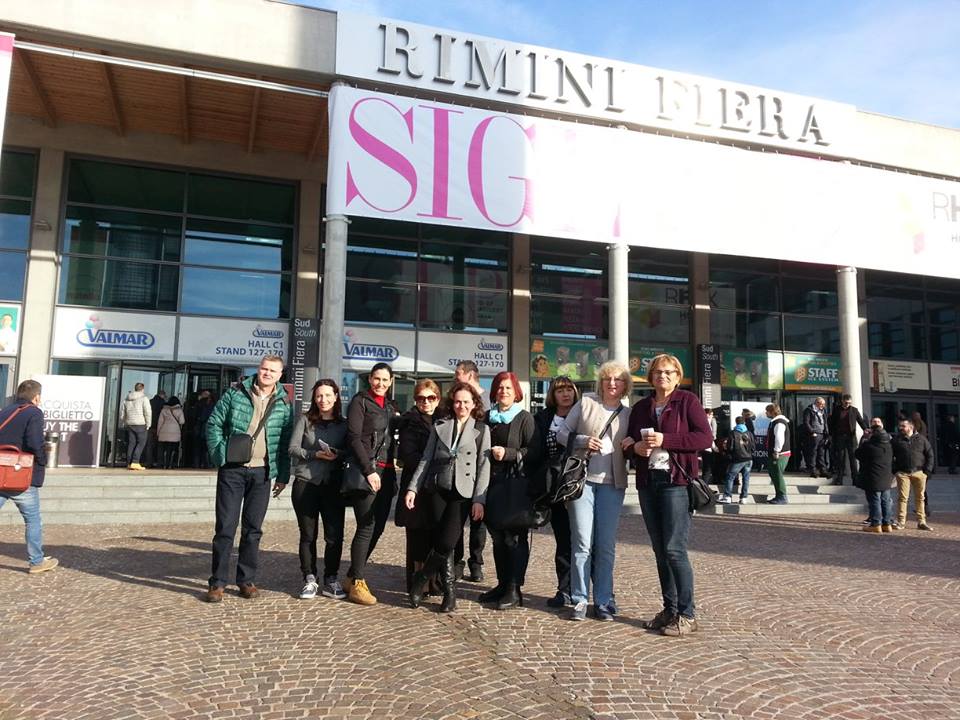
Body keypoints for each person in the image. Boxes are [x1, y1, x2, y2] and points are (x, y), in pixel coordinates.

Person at [626, 354, 712, 636]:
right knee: (660, 550)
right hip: (648, 482)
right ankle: (670, 609)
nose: (662, 376)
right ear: (650, 377)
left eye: (668, 372)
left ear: (677, 376)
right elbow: (629, 441)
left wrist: (666, 440)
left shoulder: (687, 401)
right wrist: (634, 448)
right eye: (657, 372)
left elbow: (704, 438)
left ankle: (687, 614)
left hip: (676, 482)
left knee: (675, 549)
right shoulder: (641, 407)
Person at [204, 355, 293, 603]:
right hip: (232, 471)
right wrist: (220, 454)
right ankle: (217, 582)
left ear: (280, 375)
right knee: (225, 527)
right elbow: (213, 424)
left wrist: (282, 475)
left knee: (253, 530)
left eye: (273, 371)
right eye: (264, 369)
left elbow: (284, 441)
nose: (267, 373)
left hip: (262, 472)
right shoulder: (235, 393)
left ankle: (246, 580)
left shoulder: (284, 402)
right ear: (258, 369)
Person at [405, 382, 491, 612]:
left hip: (463, 492)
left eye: (466, 402)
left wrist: (479, 500)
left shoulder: (481, 430)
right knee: (441, 542)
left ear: (474, 404)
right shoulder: (440, 426)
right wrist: (413, 488)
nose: (461, 406)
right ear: (452, 403)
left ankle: (421, 578)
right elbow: (426, 458)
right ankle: (449, 593)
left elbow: (484, 466)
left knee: (447, 541)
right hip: (437, 488)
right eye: (457, 401)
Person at [557, 361, 631, 622]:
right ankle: (579, 599)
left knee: (606, 545)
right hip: (583, 481)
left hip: (613, 484)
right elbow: (562, 433)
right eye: (607, 378)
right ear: (601, 382)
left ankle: (603, 600)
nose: (612, 383)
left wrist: (632, 442)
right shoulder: (586, 403)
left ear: (625, 385)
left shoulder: (628, 413)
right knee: (582, 542)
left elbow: (634, 446)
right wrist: (583, 441)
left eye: (618, 379)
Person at [478, 370, 540, 610]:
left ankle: (514, 589)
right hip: (490, 484)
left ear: (516, 393)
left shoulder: (524, 418)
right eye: (500, 387)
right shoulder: (488, 417)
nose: (503, 391)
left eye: (508, 388)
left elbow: (534, 451)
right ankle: (502, 584)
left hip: (514, 485)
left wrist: (509, 454)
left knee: (514, 538)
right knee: (497, 537)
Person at [344, 362, 400, 605]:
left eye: (385, 380)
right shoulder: (360, 402)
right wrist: (369, 470)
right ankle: (358, 582)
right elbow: (354, 438)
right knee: (366, 526)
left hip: (387, 473)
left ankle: (351, 575)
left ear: (391, 382)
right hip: (367, 472)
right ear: (370, 379)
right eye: (377, 378)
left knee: (378, 528)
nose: (380, 383)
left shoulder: (391, 406)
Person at [288, 379, 348, 600]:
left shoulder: (344, 424)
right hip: (306, 484)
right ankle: (310, 578)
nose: (324, 400)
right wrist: (314, 454)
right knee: (308, 534)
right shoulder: (305, 420)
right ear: (314, 398)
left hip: (333, 484)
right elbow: (292, 448)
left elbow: (350, 451)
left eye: (328, 395)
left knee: (334, 536)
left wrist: (337, 454)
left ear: (336, 397)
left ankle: (331, 578)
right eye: (319, 396)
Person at [0, 380, 57, 574]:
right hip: (21, 476)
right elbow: (34, 442)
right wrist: (42, 459)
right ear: (37, 397)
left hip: (1, 472)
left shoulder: (5, 411)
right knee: (32, 520)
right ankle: (36, 562)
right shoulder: (34, 412)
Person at [532, 376, 579, 608]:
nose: (565, 394)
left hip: (577, 484)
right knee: (563, 539)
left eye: (569, 389)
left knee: (582, 541)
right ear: (553, 394)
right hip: (553, 486)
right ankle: (564, 589)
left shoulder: (582, 414)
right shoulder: (543, 417)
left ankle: (583, 589)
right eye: (560, 390)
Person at [396, 379, 444, 594]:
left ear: (438, 399)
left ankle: (435, 582)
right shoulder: (409, 422)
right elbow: (409, 455)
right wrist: (434, 466)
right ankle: (418, 583)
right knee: (417, 536)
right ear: (415, 400)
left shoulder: (445, 420)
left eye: (430, 397)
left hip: (438, 486)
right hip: (416, 485)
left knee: (436, 534)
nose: (426, 402)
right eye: (421, 398)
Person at [453, 360, 488, 582]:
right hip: (458, 472)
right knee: (456, 522)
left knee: (478, 522)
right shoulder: (455, 400)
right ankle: (457, 563)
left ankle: (476, 563)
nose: (455, 377)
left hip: (479, 469)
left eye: (458, 373)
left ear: (470, 374)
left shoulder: (488, 401)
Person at [891, 417, 935, 531]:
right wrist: (895, 470)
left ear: (911, 427)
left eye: (903, 426)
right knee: (902, 498)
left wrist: (927, 471)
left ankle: (922, 522)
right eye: (900, 426)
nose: (900, 428)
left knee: (920, 498)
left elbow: (930, 454)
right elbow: (890, 456)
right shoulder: (896, 440)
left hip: (919, 472)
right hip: (903, 473)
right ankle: (901, 522)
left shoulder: (921, 439)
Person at [855, 418, 895, 533]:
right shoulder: (889, 445)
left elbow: (858, 454)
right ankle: (887, 523)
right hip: (886, 476)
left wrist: (866, 440)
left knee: (875, 500)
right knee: (886, 500)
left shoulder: (870, 445)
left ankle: (876, 523)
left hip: (873, 477)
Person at [828, 394, 868, 485]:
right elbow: (832, 423)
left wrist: (865, 429)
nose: (847, 404)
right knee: (840, 459)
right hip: (840, 437)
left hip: (851, 437)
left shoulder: (854, 410)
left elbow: (860, 421)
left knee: (853, 459)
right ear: (842, 401)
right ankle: (839, 479)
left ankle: (855, 480)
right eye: (846, 403)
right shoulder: (837, 410)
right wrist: (831, 435)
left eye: (849, 403)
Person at [720, 416, 755, 504]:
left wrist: (728, 453)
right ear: (744, 423)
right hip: (749, 459)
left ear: (736, 422)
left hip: (738, 459)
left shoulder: (733, 433)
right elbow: (753, 447)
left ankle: (727, 496)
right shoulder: (749, 433)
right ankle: (744, 497)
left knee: (730, 477)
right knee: (746, 478)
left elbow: (730, 447)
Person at [119, 382, 152, 470]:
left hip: (130, 424)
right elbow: (147, 412)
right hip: (140, 423)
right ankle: (135, 462)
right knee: (141, 443)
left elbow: (122, 413)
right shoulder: (144, 398)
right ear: (142, 389)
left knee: (131, 443)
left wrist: (125, 421)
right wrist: (148, 424)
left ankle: (129, 463)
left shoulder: (127, 398)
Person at [765, 404, 792, 505]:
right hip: (779, 453)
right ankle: (779, 495)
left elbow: (779, 438)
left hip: (780, 454)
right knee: (774, 473)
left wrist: (777, 451)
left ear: (772, 412)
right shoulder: (776, 422)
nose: (766, 413)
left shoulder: (779, 423)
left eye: (767, 411)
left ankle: (782, 496)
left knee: (777, 474)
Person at [801, 397, 829, 478]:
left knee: (821, 453)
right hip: (814, 434)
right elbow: (806, 422)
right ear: (817, 403)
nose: (823, 406)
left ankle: (823, 470)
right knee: (813, 453)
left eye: (824, 404)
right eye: (821, 404)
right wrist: (812, 432)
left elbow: (825, 422)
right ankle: (813, 470)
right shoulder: (809, 410)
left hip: (822, 434)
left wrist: (826, 432)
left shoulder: (823, 410)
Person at [156, 396, 185, 469]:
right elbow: (182, 421)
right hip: (175, 433)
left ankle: (162, 464)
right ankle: (170, 464)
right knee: (172, 450)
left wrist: (158, 433)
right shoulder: (179, 410)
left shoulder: (164, 410)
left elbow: (160, 422)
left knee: (163, 449)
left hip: (164, 432)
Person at [192, 390, 215, 468]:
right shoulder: (212, 405)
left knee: (199, 448)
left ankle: (198, 464)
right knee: (206, 448)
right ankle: (207, 464)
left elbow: (198, 416)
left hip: (200, 429)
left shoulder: (199, 404)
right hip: (208, 429)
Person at [145, 389, 167, 468]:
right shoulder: (163, 404)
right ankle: (159, 463)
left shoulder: (150, 402)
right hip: (160, 427)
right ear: (162, 395)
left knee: (149, 446)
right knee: (160, 446)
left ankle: (149, 463)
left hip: (150, 426)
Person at [700, 408, 717, 484]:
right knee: (707, 468)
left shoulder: (702, 421)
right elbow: (710, 436)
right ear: (707, 414)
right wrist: (714, 447)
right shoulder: (706, 423)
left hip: (704, 447)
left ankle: (704, 484)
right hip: (707, 448)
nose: (712, 416)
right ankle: (705, 484)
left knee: (706, 467)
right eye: (711, 414)